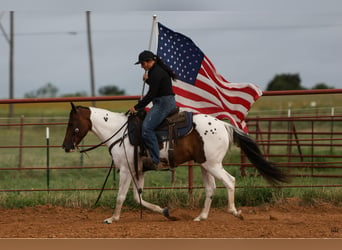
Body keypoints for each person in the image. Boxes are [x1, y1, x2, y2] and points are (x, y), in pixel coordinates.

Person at [130, 50, 177, 170]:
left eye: (142, 63)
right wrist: (147, 80)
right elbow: (157, 86)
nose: (141, 66)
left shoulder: (156, 73)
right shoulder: (156, 71)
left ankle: (157, 160)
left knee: (147, 128)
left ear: (149, 61)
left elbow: (151, 94)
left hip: (163, 104)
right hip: (164, 102)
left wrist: (137, 107)